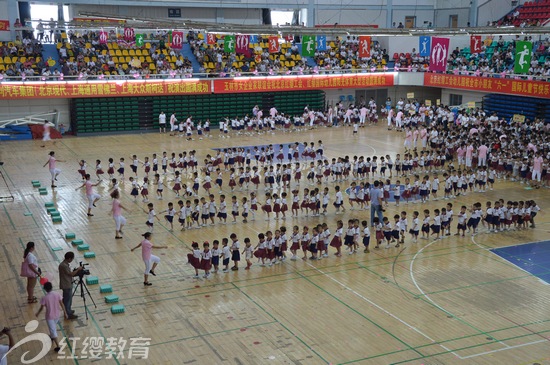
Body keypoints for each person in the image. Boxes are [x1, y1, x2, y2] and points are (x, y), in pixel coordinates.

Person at [35, 281, 67, 352]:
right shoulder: (57, 294)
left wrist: (37, 313)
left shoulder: (45, 298)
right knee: (53, 328)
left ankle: (58, 346)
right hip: (57, 315)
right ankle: (52, 337)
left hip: (49, 317)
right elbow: (62, 304)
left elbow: (41, 307)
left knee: (53, 330)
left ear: (45, 289)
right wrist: (65, 312)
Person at [58, 251, 83, 320]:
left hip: (68, 283)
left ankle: (68, 309)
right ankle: (68, 313)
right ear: (69, 258)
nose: (71, 260)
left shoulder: (64, 264)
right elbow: (71, 274)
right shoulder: (64, 265)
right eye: (72, 259)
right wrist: (78, 269)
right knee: (67, 299)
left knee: (68, 299)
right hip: (66, 284)